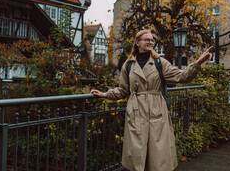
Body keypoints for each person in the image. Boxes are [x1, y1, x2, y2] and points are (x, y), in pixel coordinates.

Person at [91, 30, 212, 171]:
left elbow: (183, 76)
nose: (150, 42)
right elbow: (123, 90)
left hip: (157, 111)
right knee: (137, 153)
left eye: (152, 40)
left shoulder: (160, 63)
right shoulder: (128, 65)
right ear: (137, 43)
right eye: (146, 39)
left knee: (158, 154)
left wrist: (198, 62)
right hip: (136, 112)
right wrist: (105, 94)